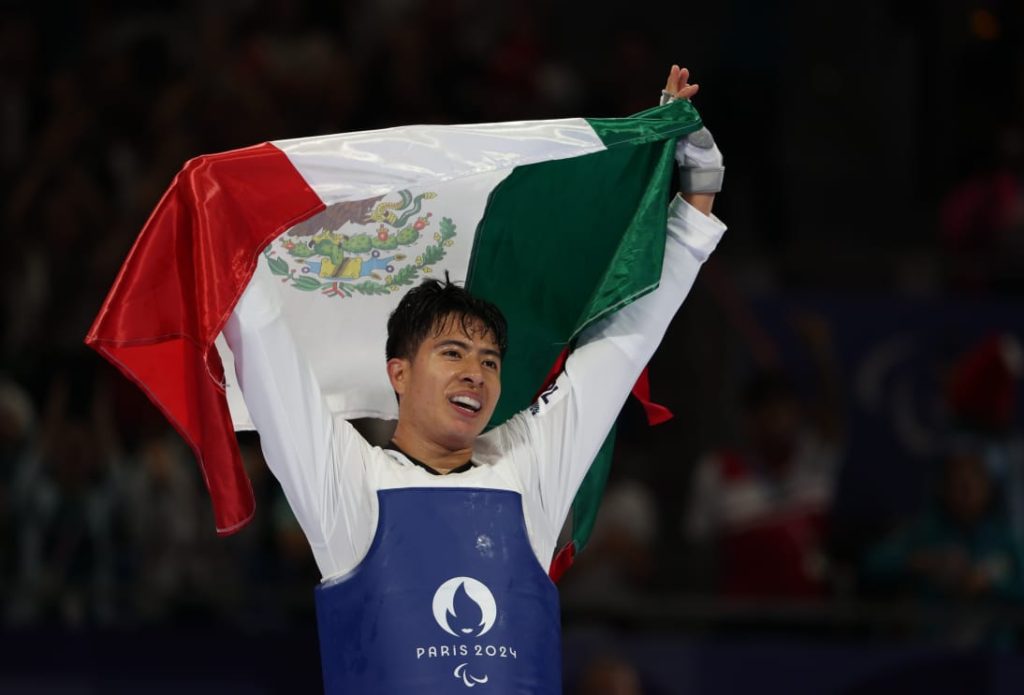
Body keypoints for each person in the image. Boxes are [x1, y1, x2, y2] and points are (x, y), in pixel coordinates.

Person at [223, 65, 726, 693]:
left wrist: (691, 208)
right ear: (398, 374)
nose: (477, 373)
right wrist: (220, 213)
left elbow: (620, 351)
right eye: (454, 353)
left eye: (490, 360)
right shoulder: (348, 483)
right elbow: (266, 347)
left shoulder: (528, 472)